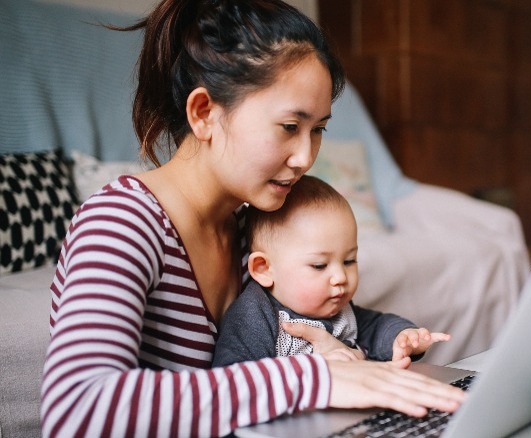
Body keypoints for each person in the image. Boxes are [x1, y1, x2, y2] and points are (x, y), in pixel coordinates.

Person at [39, 1, 464, 436]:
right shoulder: (122, 223)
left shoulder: (256, 229)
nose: (305, 158)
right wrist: (313, 380)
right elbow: (77, 409)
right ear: (204, 113)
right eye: (288, 126)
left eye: (317, 129)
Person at [213, 175, 450, 367]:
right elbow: (235, 379)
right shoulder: (255, 315)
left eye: (349, 261)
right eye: (319, 265)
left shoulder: (339, 309)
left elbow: (376, 327)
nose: (340, 278)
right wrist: (313, 369)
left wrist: (403, 337)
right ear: (264, 269)